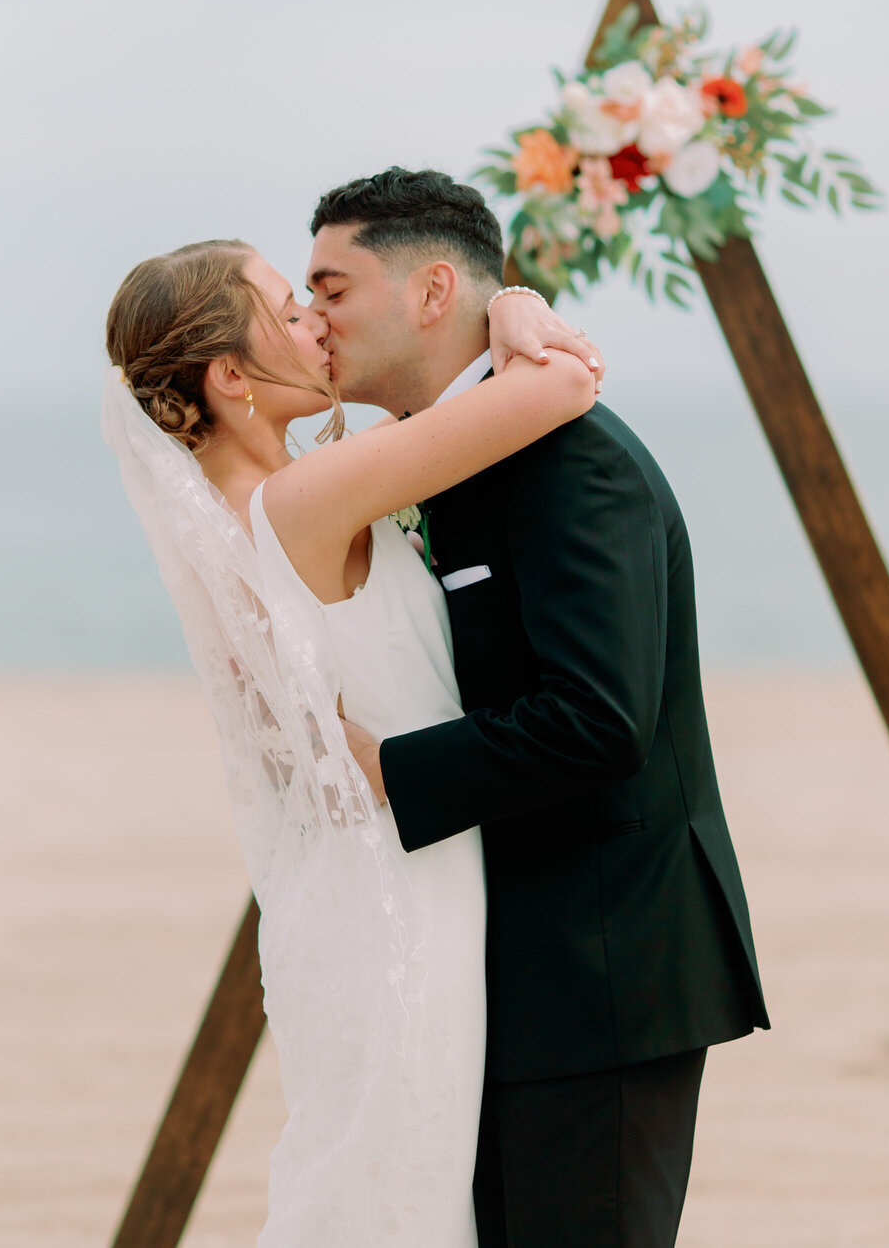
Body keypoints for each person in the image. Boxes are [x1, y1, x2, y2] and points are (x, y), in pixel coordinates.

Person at [102, 233, 600, 1247]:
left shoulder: (258, 505)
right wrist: (511, 306)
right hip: (399, 905)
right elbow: (561, 389)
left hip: (365, 886)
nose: (316, 322)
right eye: (287, 310)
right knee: (392, 1197)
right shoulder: (298, 503)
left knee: (375, 1183)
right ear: (231, 376)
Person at [307, 167, 771, 1248]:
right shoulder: (441, 454)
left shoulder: (571, 462)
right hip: (501, 971)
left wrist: (387, 771)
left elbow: (602, 719)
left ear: (431, 293)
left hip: (600, 964)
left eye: (333, 289)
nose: (312, 318)